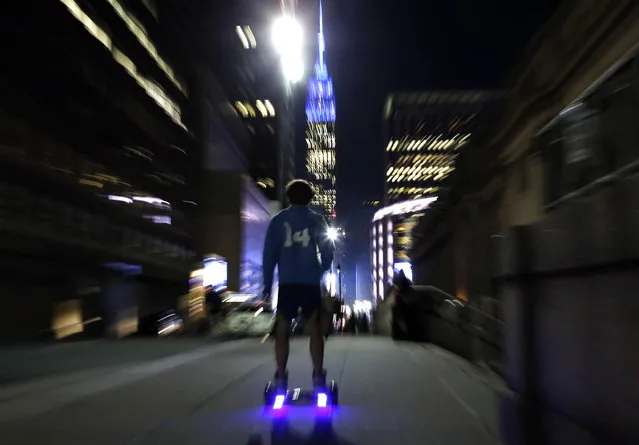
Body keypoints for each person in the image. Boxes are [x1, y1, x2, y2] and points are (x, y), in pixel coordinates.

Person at [262, 179, 334, 392]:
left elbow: (269, 256)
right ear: (310, 197)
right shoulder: (317, 220)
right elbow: (328, 251)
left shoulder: (278, 221)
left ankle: (282, 375)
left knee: (283, 328)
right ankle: (319, 374)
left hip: (287, 283)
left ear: (288, 197)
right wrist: (321, 269)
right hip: (310, 283)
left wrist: (267, 285)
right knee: (314, 329)